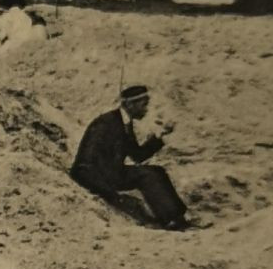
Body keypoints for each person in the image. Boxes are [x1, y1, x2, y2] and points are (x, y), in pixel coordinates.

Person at [69, 85, 190, 230]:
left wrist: (160, 136)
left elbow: (138, 156)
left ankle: (175, 217)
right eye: (144, 104)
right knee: (148, 175)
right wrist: (111, 194)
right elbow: (84, 165)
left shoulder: (124, 122)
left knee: (156, 171)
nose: (146, 109)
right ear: (129, 104)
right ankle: (172, 220)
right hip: (99, 177)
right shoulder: (105, 123)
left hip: (112, 172)